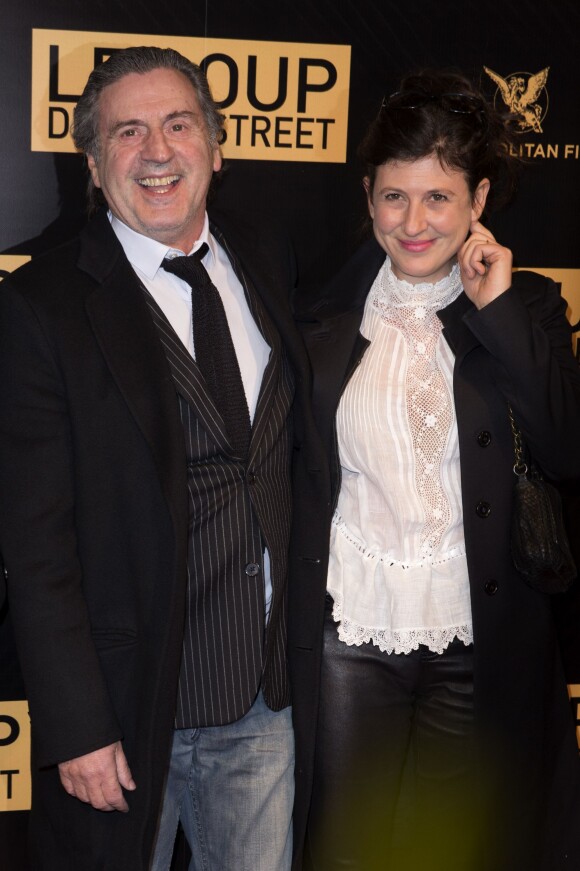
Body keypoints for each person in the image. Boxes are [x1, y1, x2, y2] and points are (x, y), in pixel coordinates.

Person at [0, 45, 313, 871]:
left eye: (178, 124)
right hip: (126, 716)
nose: (158, 151)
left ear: (216, 146)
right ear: (95, 168)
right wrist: (75, 722)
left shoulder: (263, 255)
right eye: (128, 132)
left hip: (262, 706)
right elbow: (35, 545)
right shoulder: (42, 307)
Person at [288, 69, 580, 871]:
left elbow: (563, 448)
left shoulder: (531, 308)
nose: (413, 223)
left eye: (438, 198)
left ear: (479, 199)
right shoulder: (315, 312)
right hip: (352, 632)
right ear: (368, 196)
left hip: (477, 631)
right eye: (393, 198)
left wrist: (497, 311)